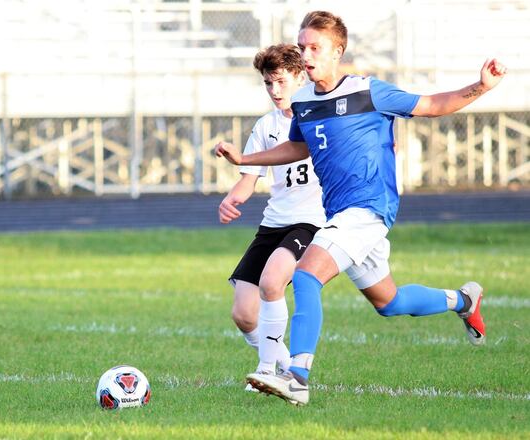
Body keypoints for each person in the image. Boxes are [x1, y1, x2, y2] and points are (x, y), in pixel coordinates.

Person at [215, 10, 505, 406]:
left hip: (368, 208)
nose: (307, 54)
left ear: (338, 51)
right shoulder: (303, 102)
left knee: (305, 276)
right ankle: (463, 300)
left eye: (315, 47)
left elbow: (432, 104)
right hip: (343, 216)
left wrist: (481, 87)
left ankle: (296, 377)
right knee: (389, 301)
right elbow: (298, 146)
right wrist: (244, 161)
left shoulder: (368, 92)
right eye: (302, 47)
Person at [219, 44, 325, 391]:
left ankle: (266, 370)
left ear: (299, 75)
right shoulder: (266, 125)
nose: (274, 90)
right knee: (243, 313)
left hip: (310, 222)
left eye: (280, 81)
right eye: (268, 84)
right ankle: (283, 365)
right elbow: (249, 178)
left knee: (271, 283)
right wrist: (231, 200)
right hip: (273, 223)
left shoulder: (321, 117)